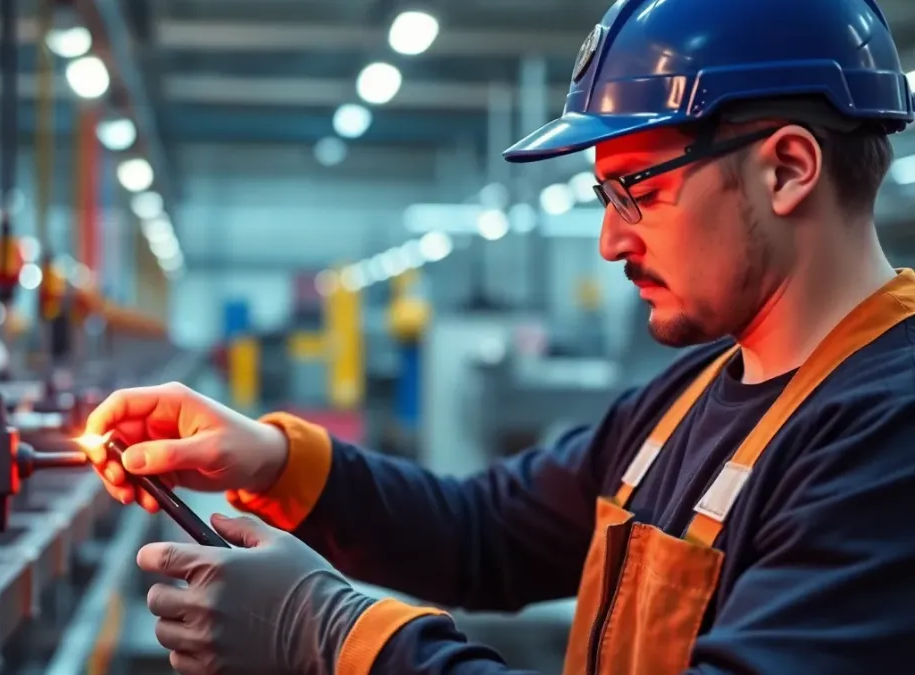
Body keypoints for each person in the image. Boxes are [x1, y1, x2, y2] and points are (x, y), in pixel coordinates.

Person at [81, 0, 915, 672]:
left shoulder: (888, 435)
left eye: (638, 191)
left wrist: (334, 634)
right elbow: (485, 531)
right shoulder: (689, 394)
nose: (611, 243)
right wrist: (269, 456)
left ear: (787, 169)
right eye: (603, 198)